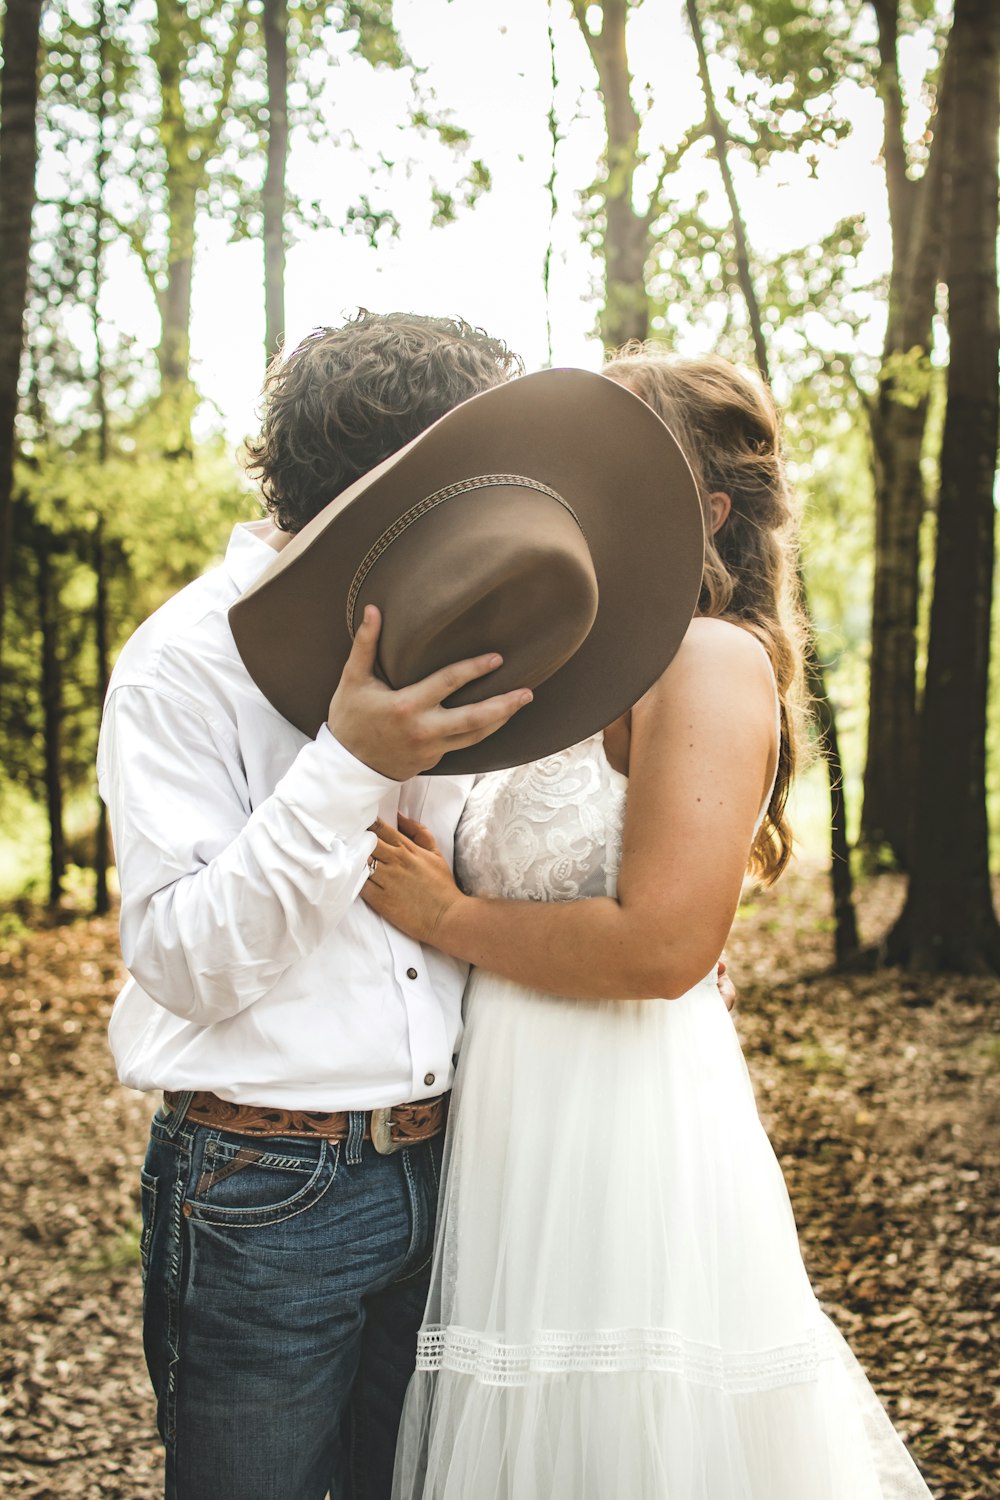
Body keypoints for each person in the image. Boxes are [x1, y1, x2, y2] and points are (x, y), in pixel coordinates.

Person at [361, 351, 934, 1499]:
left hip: (614, 1121)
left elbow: (665, 950)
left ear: (707, 511)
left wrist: (450, 913)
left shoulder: (710, 659)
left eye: (617, 465)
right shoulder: (580, 661)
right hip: (515, 1114)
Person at [96, 311, 538, 1500]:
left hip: (460, 1166)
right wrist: (344, 760)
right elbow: (183, 959)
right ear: (389, 497)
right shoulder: (179, 665)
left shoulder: (463, 636)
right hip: (261, 1192)